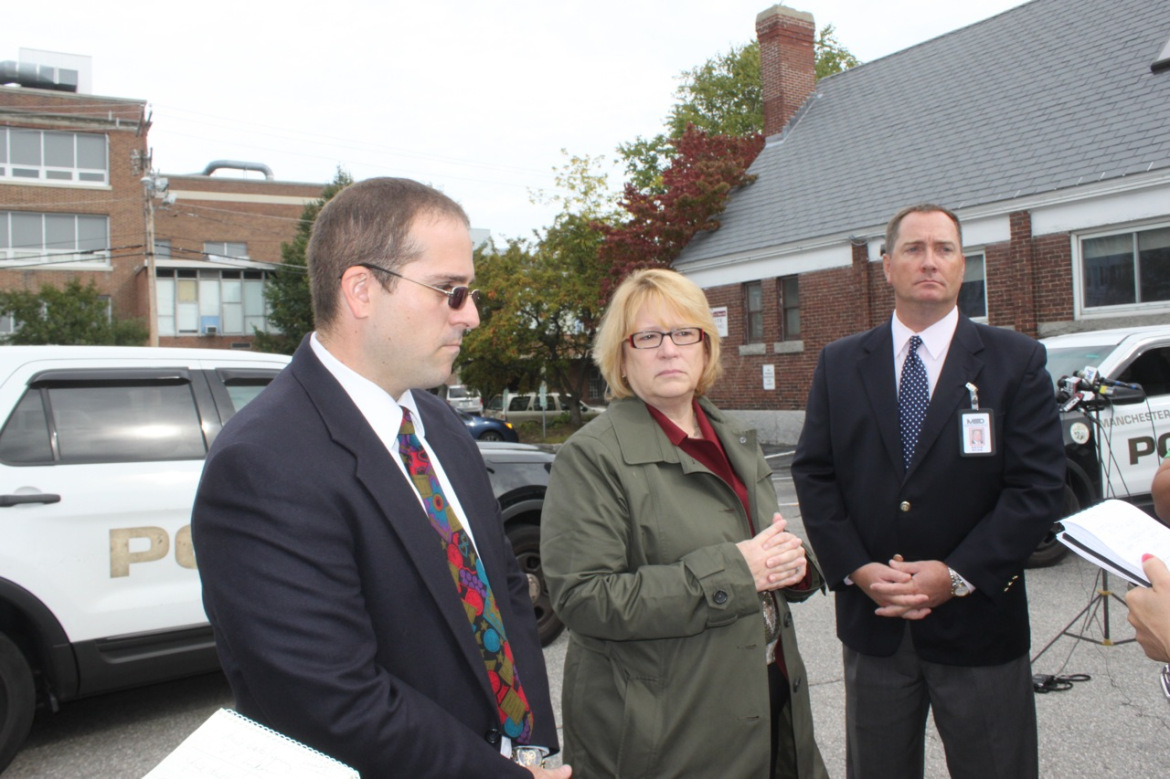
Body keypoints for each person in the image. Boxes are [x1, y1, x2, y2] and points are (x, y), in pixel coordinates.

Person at [191, 177, 568, 778]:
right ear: (362, 290)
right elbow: (331, 700)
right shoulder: (262, 464)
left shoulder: (441, 427)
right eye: (450, 291)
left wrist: (534, 747)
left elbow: (503, 596)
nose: (471, 315)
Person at [791, 204, 1065, 779]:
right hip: (875, 621)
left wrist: (957, 573)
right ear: (886, 266)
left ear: (964, 265)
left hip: (980, 627)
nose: (930, 261)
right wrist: (857, 568)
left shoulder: (1016, 362)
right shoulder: (841, 364)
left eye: (944, 249)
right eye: (914, 249)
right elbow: (815, 475)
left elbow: (1037, 488)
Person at [541, 268, 828, 778]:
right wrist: (739, 573)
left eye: (683, 333)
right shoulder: (591, 458)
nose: (668, 350)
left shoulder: (733, 436)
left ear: (705, 347)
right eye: (647, 337)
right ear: (622, 358)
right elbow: (584, 598)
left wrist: (796, 566)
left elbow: (755, 547)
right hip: (672, 732)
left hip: (772, 703)